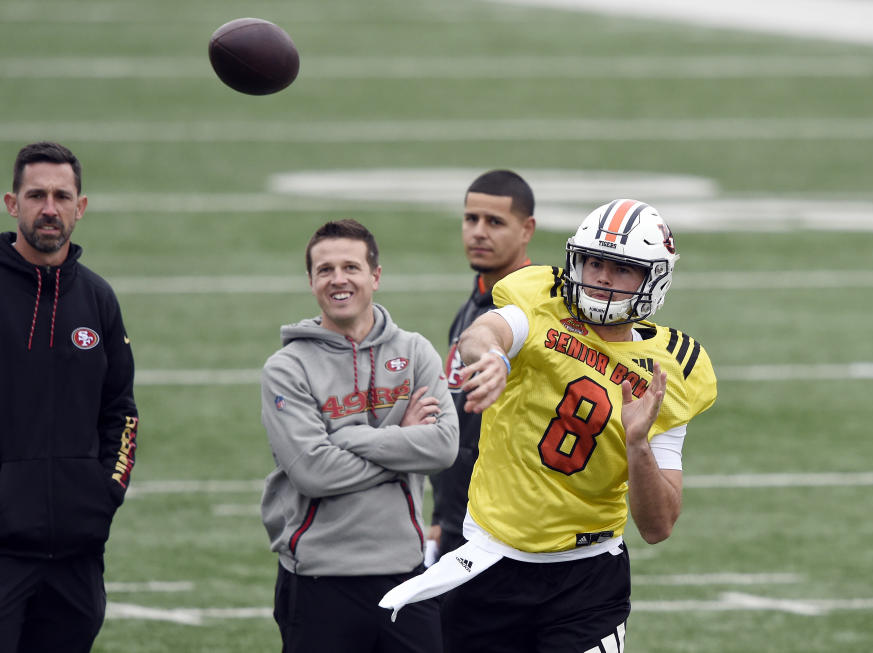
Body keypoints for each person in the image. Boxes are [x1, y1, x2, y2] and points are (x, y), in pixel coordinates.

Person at [380, 199, 717, 653]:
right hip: (490, 561)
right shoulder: (543, 300)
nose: (601, 277)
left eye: (621, 269)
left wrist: (638, 445)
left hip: (587, 577)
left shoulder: (672, 371)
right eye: (595, 262)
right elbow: (485, 332)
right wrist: (494, 357)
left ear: (653, 278)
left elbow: (657, 527)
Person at [260, 219, 458, 653]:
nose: (338, 279)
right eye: (325, 270)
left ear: (375, 276)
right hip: (317, 580)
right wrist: (402, 437)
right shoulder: (286, 367)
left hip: (406, 574)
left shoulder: (414, 351)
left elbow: (443, 447)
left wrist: (349, 438)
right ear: (311, 281)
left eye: (351, 266)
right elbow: (313, 471)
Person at [0, 141, 139, 653]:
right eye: (36, 195)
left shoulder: (97, 297)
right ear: (13, 205)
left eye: (62, 196)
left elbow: (121, 411)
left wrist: (103, 495)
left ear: (80, 208)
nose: (49, 208)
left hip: (77, 550)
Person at [428, 169, 536, 561]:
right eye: (471, 219)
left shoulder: (531, 312)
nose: (478, 232)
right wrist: (444, 513)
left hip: (503, 527)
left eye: (495, 222)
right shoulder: (475, 301)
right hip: (461, 520)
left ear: (527, 230)